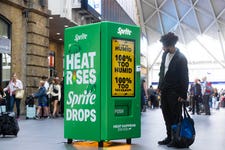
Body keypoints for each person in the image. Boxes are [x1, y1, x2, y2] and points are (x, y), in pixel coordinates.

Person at [157, 32, 189, 147]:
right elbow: (162, 71)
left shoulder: (181, 58)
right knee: (166, 114)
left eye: (164, 46)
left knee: (175, 116)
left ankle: (176, 139)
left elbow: (185, 77)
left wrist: (183, 94)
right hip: (165, 91)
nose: (163, 48)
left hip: (175, 92)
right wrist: (159, 86)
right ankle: (169, 137)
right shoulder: (164, 55)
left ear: (170, 45)